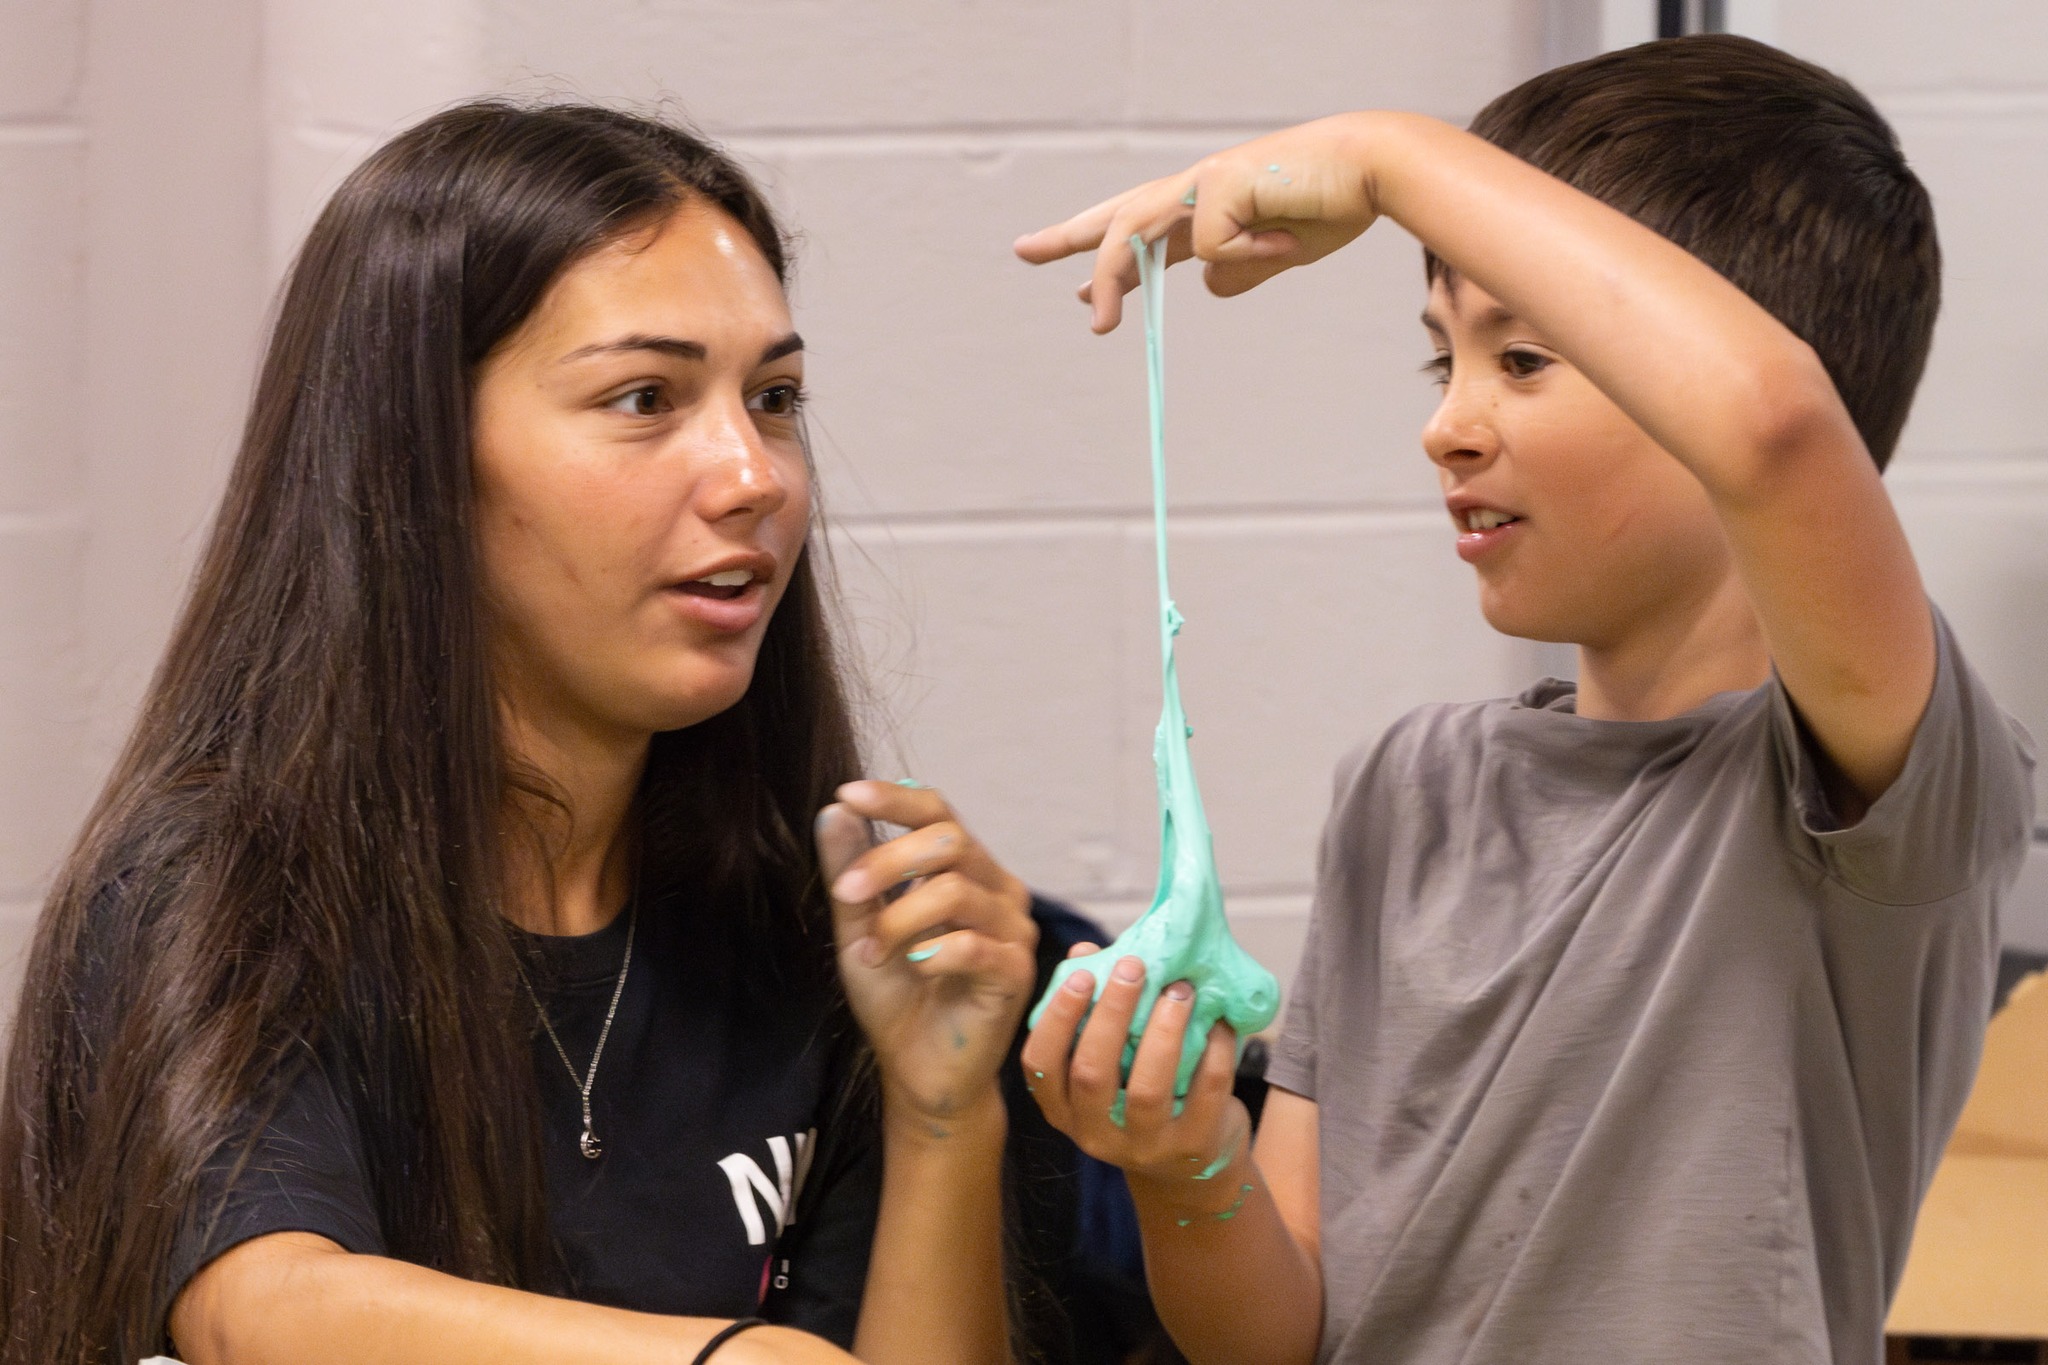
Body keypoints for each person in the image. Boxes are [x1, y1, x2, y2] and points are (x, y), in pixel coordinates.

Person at [1017, 35, 2034, 1364]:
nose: (1450, 424)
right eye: (1445, 360)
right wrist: (1183, 1160)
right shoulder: (1404, 788)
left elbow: (1774, 426)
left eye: (1526, 359)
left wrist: (1388, 155)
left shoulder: (1878, 787)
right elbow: (1277, 1328)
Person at [0, 101, 1037, 1365]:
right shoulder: (221, 873)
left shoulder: (803, 907)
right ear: (418, 458)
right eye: (645, 398)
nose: (753, 474)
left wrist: (944, 1116)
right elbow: (256, 1305)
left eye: (773, 398)